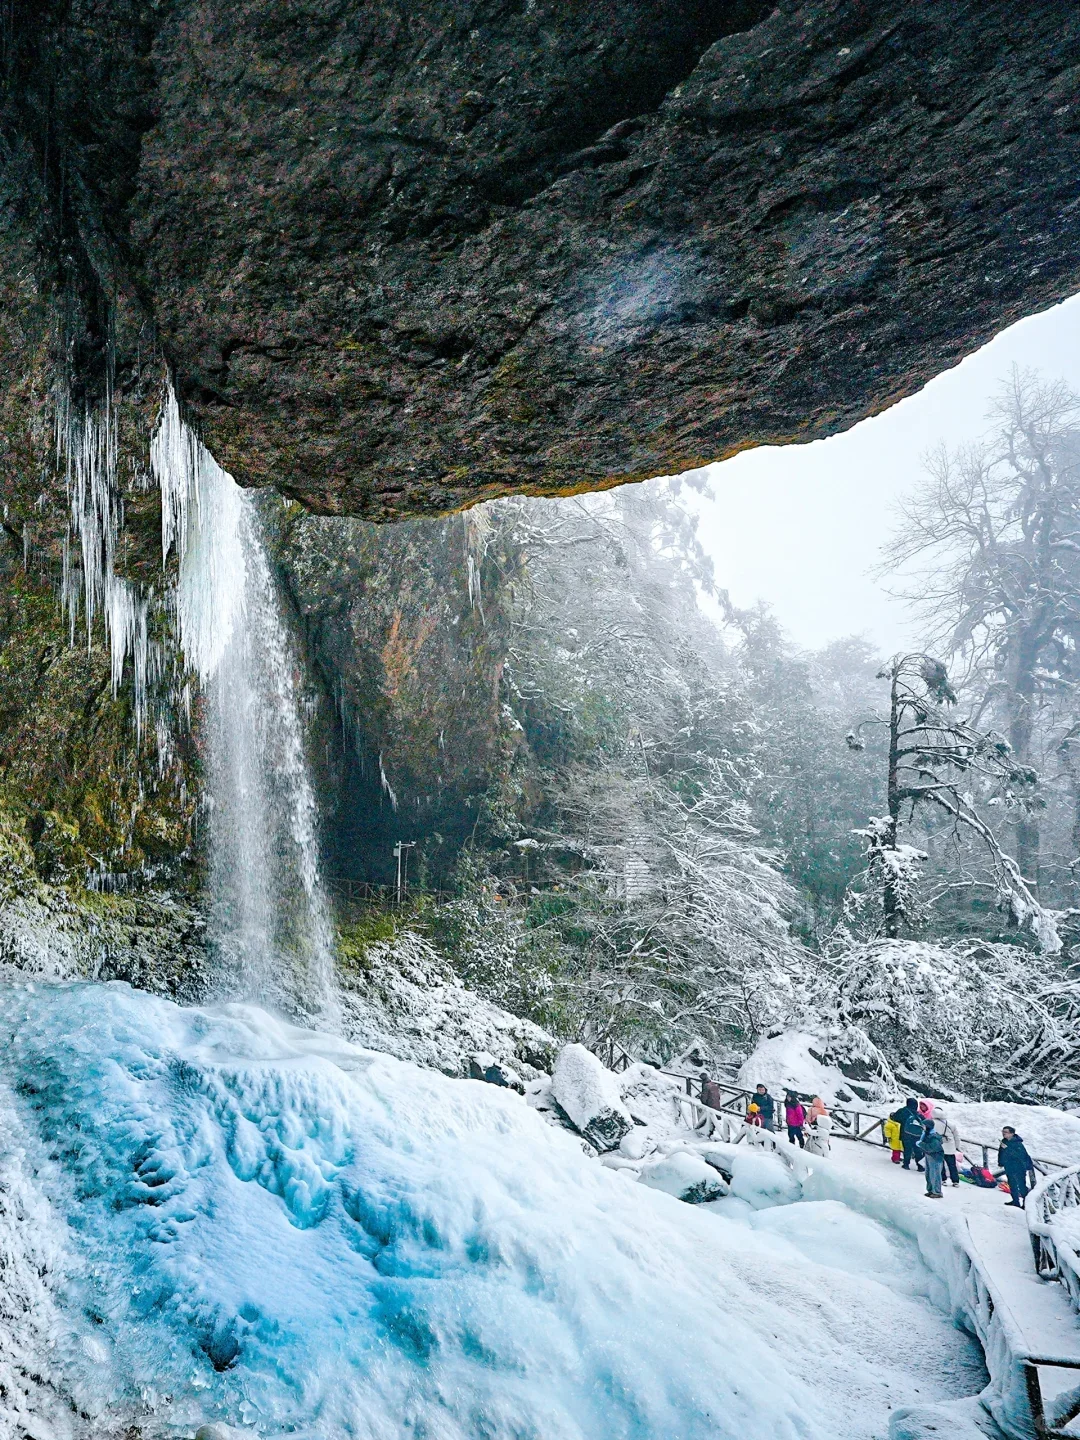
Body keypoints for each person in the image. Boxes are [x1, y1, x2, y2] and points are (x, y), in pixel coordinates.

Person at [997, 1126, 1036, 1209]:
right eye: (1003, 1131)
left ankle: (1026, 1204)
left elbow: (1021, 1156)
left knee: (1022, 1186)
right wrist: (1000, 1162)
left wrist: (1007, 1149)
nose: (1003, 1133)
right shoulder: (1004, 1142)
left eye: (1006, 1132)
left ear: (1012, 1133)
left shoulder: (1017, 1143)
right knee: (1012, 1184)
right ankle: (1015, 1201)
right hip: (1009, 1166)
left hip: (1019, 1167)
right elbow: (1001, 1152)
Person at [890, 1098, 925, 1171]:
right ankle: (920, 1166)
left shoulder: (903, 1111)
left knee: (907, 1149)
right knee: (918, 1150)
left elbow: (895, 1118)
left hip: (906, 1134)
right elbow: (924, 1122)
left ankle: (906, 1164)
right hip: (917, 1135)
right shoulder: (918, 1114)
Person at [933, 1106, 961, 1186]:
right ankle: (955, 1181)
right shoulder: (951, 1124)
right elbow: (956, 1136)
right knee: (952, 1165)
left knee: (940, 1164)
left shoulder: (932, 1123)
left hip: (939, 1146)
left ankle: (943, 1179)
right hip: (950, 1147)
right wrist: (957, 1146)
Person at [918, 1116, 945, 1198]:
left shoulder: (934, 1137)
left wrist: (921, 1144)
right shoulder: (927, 1134)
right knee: (929, 1174)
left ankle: (937, 1192)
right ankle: (930, 1190)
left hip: (935, 1157)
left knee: (935, 1175)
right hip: (929, 1156)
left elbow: (932, 1148)